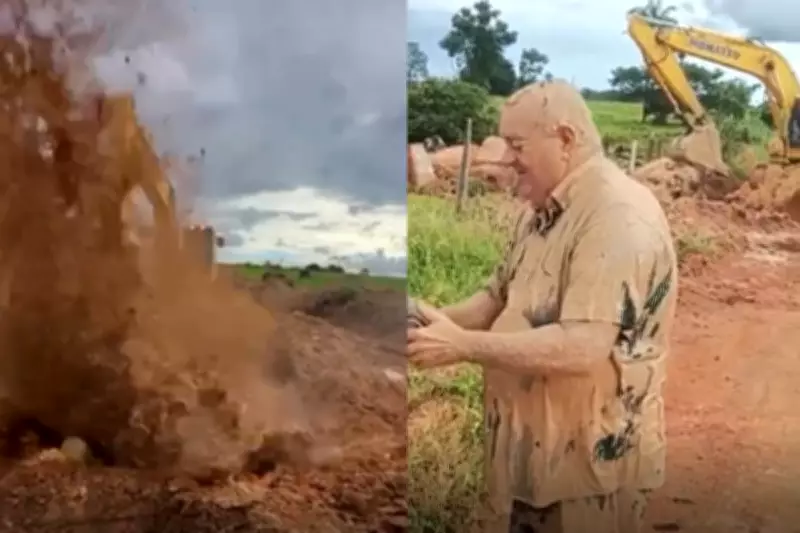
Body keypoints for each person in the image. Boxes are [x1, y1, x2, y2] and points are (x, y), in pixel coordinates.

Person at [407, 79, 678, 533]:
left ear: (566, 139)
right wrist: (419, 320)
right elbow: (495, 300)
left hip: (588, 471)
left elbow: (583, 345)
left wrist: (463, 347)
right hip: (535, 458)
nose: (505, 159)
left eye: (516, 146)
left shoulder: (616, 217)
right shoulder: (544, 213)